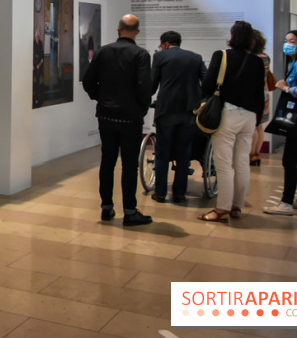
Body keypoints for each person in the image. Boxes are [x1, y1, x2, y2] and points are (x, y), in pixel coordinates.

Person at [82, 14, 152, 226]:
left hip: (106, 114)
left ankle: (106, 208)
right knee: (130, 165)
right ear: (137, 32)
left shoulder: (103, 51)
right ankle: (130, 211)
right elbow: (144, 87)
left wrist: (99, 97)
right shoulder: (141, 55)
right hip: (130, 117)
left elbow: (88, 81)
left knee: (108, 161)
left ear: (118, 30)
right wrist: (141, 108)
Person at [197, 21, 265, 222]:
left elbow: (208, 85)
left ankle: (222, 208)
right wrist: (257, 119)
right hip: (250, 116)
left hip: (228, 113)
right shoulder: (257, 61)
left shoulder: (222, 55)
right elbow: (259, 94)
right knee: (242, 161)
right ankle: (237, 206)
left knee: (224, 164)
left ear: (233, 36)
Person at [264, 30, 297, 215]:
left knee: (290, 160)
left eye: (292, 41)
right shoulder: (296, 63)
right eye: (286, 40)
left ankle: (286, 203)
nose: (287, 44)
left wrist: (286, 87)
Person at [150, 31, 206, 203]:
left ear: (166, 44)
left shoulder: (161, 57)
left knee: (162, 152)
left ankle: (160, 193)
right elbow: (207, 80)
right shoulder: (196, 58)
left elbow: (152, 84)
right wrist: (198, 100)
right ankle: (180, 193)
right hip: (188, 112)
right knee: (184, 152)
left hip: (166, 111)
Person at [249, 30, 275, 166]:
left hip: (254, 96)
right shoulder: (265, 57)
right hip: (265, 95)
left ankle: (251, 154)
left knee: (253, 126)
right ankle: (257, 155)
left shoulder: (252, 59)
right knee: (259, 126)